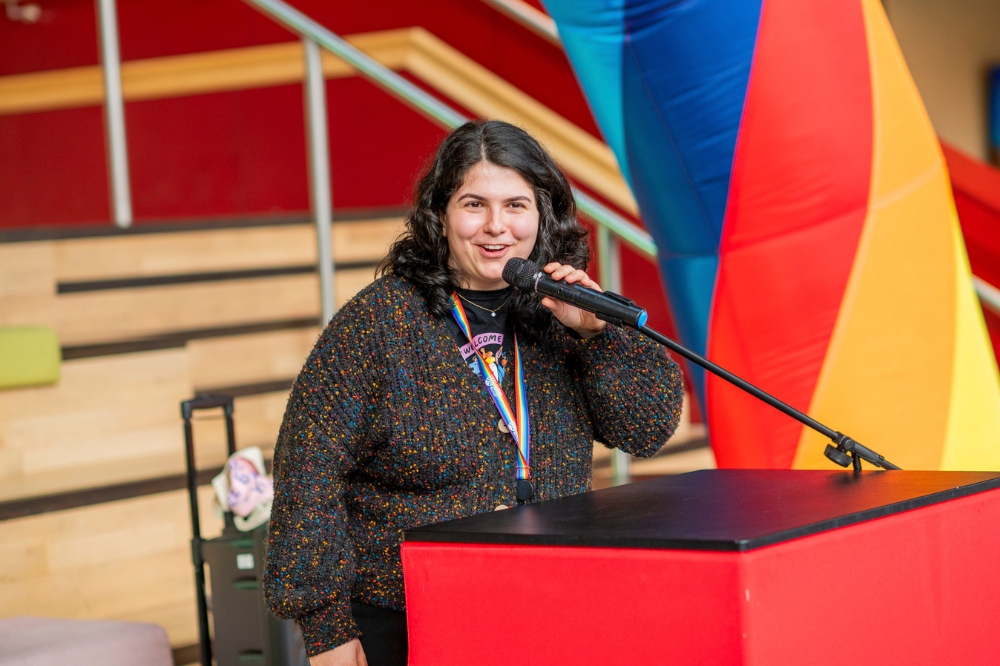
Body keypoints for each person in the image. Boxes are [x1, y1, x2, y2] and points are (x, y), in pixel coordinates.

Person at [263, 120, 684, 666]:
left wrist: (598, 334)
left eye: (515, 205)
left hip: (548, 600)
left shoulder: (564, 311)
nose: (495, 227)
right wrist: (327, 630)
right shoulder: (379, 322)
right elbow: (306, 471)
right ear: (440, 215)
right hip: (408, 617)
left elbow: (646, 428)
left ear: (542, 215)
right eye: (473, 204)